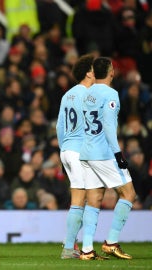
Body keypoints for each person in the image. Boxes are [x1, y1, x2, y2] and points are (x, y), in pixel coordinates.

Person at [79, 57, 136, 260]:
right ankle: (111, 242)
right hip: (103, 153)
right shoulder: (111, 94)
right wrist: (118, 154)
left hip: (86, 153)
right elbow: (109, 126)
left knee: (94, 200)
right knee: (128, 193)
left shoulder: (87, 93)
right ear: (111, 72)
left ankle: (86, 250)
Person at [55, 54, 95, 259]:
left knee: (83, 198)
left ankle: (72, 244)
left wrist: (64, 151)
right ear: (89, 73)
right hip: (80, 150)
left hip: (67, 150)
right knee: (82, 200)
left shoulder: (67, 94)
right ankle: (69, 247)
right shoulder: (89, 95)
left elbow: (59, 126)